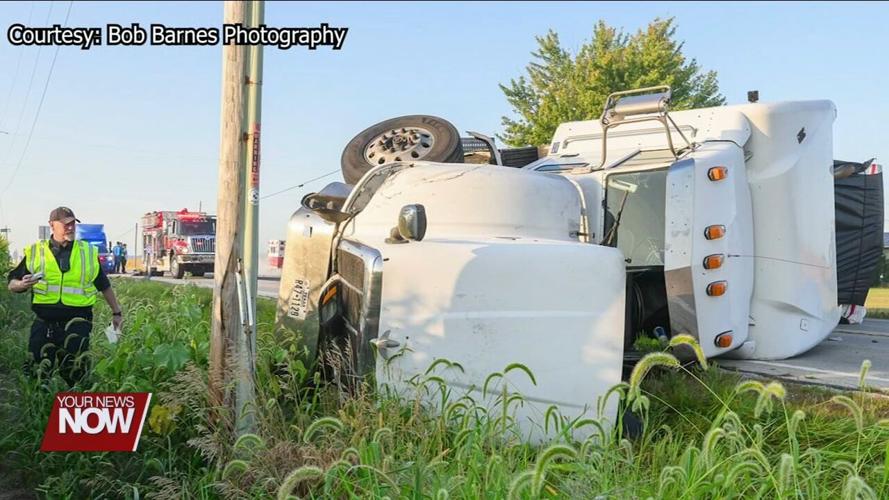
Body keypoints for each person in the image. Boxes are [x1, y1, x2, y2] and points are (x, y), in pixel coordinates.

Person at [6, 207, 124, 385]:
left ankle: (73, 407)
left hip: (78, 324)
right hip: (44, 324)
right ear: (52, 225)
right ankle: (42, 409)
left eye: (73, 224)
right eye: (65, 224)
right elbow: (12, 283)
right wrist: (21, 285)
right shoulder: (36, 252)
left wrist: (117, 313)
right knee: (37, 375)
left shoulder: (86, 253)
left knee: (76, 376)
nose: (70, 227)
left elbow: (104, 285)